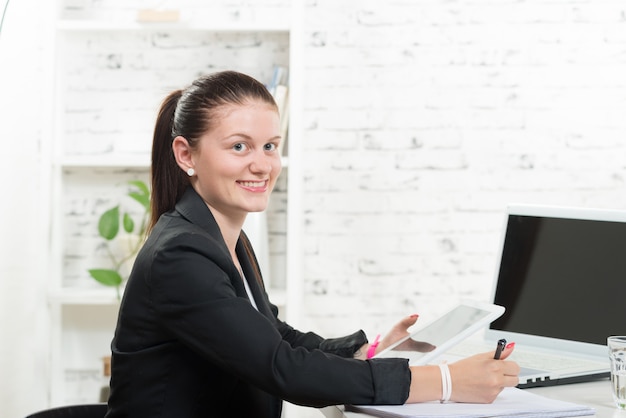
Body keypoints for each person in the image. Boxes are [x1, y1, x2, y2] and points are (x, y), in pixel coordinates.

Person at [105, 70, 520, 418]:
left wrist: (367, 351)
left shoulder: (223, 239)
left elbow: (272, 336)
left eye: (270, 146)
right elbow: (283, 369)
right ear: (186, 155)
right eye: (238, 146)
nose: (261, 164)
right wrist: (448, 381)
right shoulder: (181, 255)